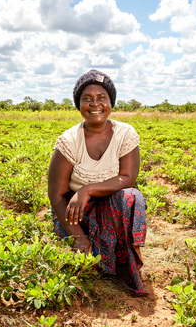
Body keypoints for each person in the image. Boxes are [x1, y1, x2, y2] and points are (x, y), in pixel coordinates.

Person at [47, 69, 148, 296]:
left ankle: (125, 266)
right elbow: (56, 195)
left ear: (111, 102)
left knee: (132, 196)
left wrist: (88, 189)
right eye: (87, 99)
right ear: (78, 104)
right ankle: (91, 252)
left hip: (109, 208)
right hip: (75, 213)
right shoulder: (68, 141)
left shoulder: (125, 134)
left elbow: (128, 178)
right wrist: (79, 238)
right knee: (82, 267)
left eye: (102, 97)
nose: (95, 104)